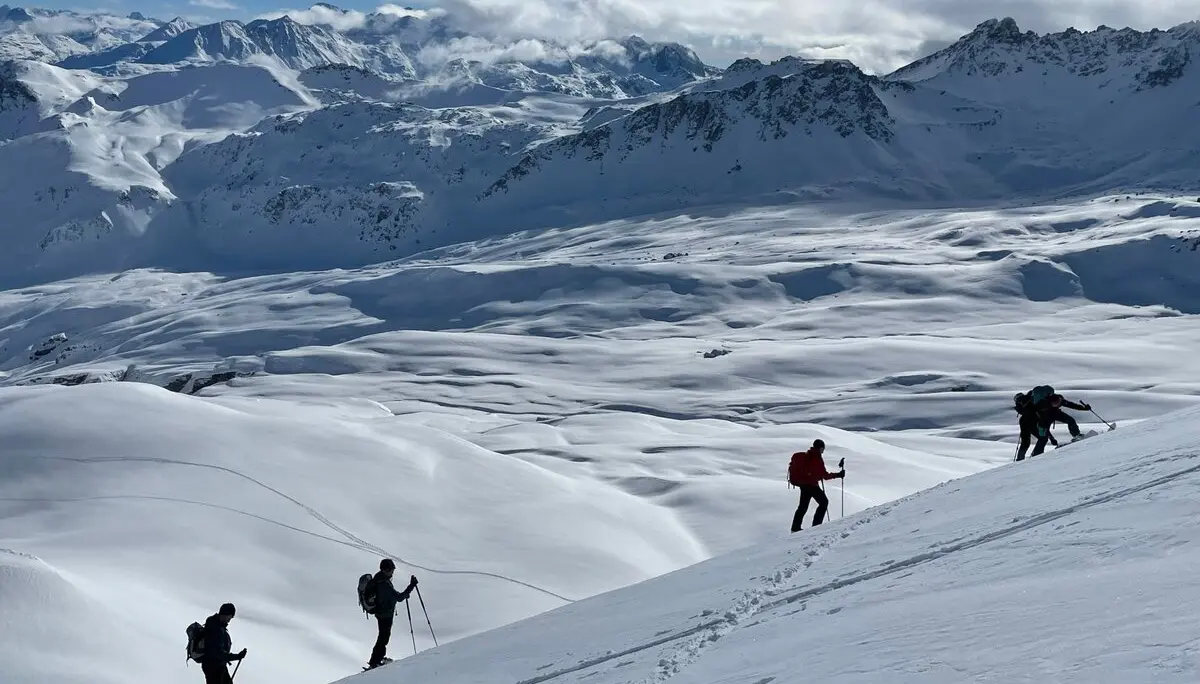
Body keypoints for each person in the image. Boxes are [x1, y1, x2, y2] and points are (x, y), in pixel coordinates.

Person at [367, 559, 418, 670]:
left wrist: (404, 594)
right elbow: (398, 598)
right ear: (386, 570)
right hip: (385, 614)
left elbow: (393, 596)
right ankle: (375, 662)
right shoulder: (383, 583)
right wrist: (411, 586)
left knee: (382, 637)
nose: (392, 572)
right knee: (383, 638)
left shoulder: (379, 578)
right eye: (391, 570)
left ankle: (376, 660)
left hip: (381, 613)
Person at [1015, 386, 1090, 460]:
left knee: (1070, 420)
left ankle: (1077, 435)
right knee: (1041, 439)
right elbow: (1044, 427)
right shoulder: (1041, 406)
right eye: (1056, 404)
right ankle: (1035, 456)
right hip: (1032, 421)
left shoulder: (1056, 400)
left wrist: (1084, 408)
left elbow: (1070, 405)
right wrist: (1052, 439)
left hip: (1048, 417)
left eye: (1058, 404)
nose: (1057, 404)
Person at [788, 439, 845, 533]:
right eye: (823, 448)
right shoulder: (817, 458)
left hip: (804, 485)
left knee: (803, 507)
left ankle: (795, 528)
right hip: (812, 485)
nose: (823, 451)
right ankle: (816, 526)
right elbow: (825, 475)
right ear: (820, 448)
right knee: (824, 502)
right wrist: (838, 475)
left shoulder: (808, 455)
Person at [201, 603, 246, 684]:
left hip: (218, 666)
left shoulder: (216, 624)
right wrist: (237, 656)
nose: (230, 619)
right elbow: (219, 653)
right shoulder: (216, 629)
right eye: (230, 616)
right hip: (213, 668)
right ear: (225, 614)